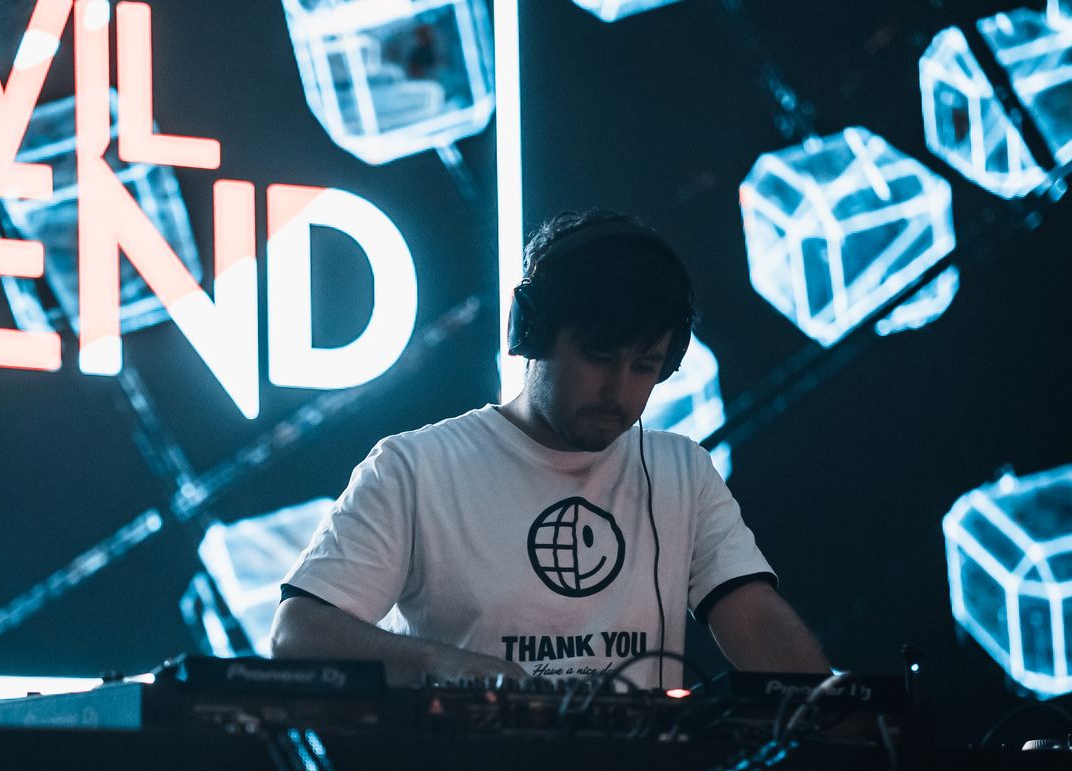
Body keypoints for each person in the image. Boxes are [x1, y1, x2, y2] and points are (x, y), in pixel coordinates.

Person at [270, 209, 829, 688]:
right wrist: (442, 664)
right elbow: (298, 633)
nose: (619, 392)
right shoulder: (413, 469)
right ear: (531, 335)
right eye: (599, 357)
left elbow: (754, 621)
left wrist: (837, 707)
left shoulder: (681, 471)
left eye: (645, 366)